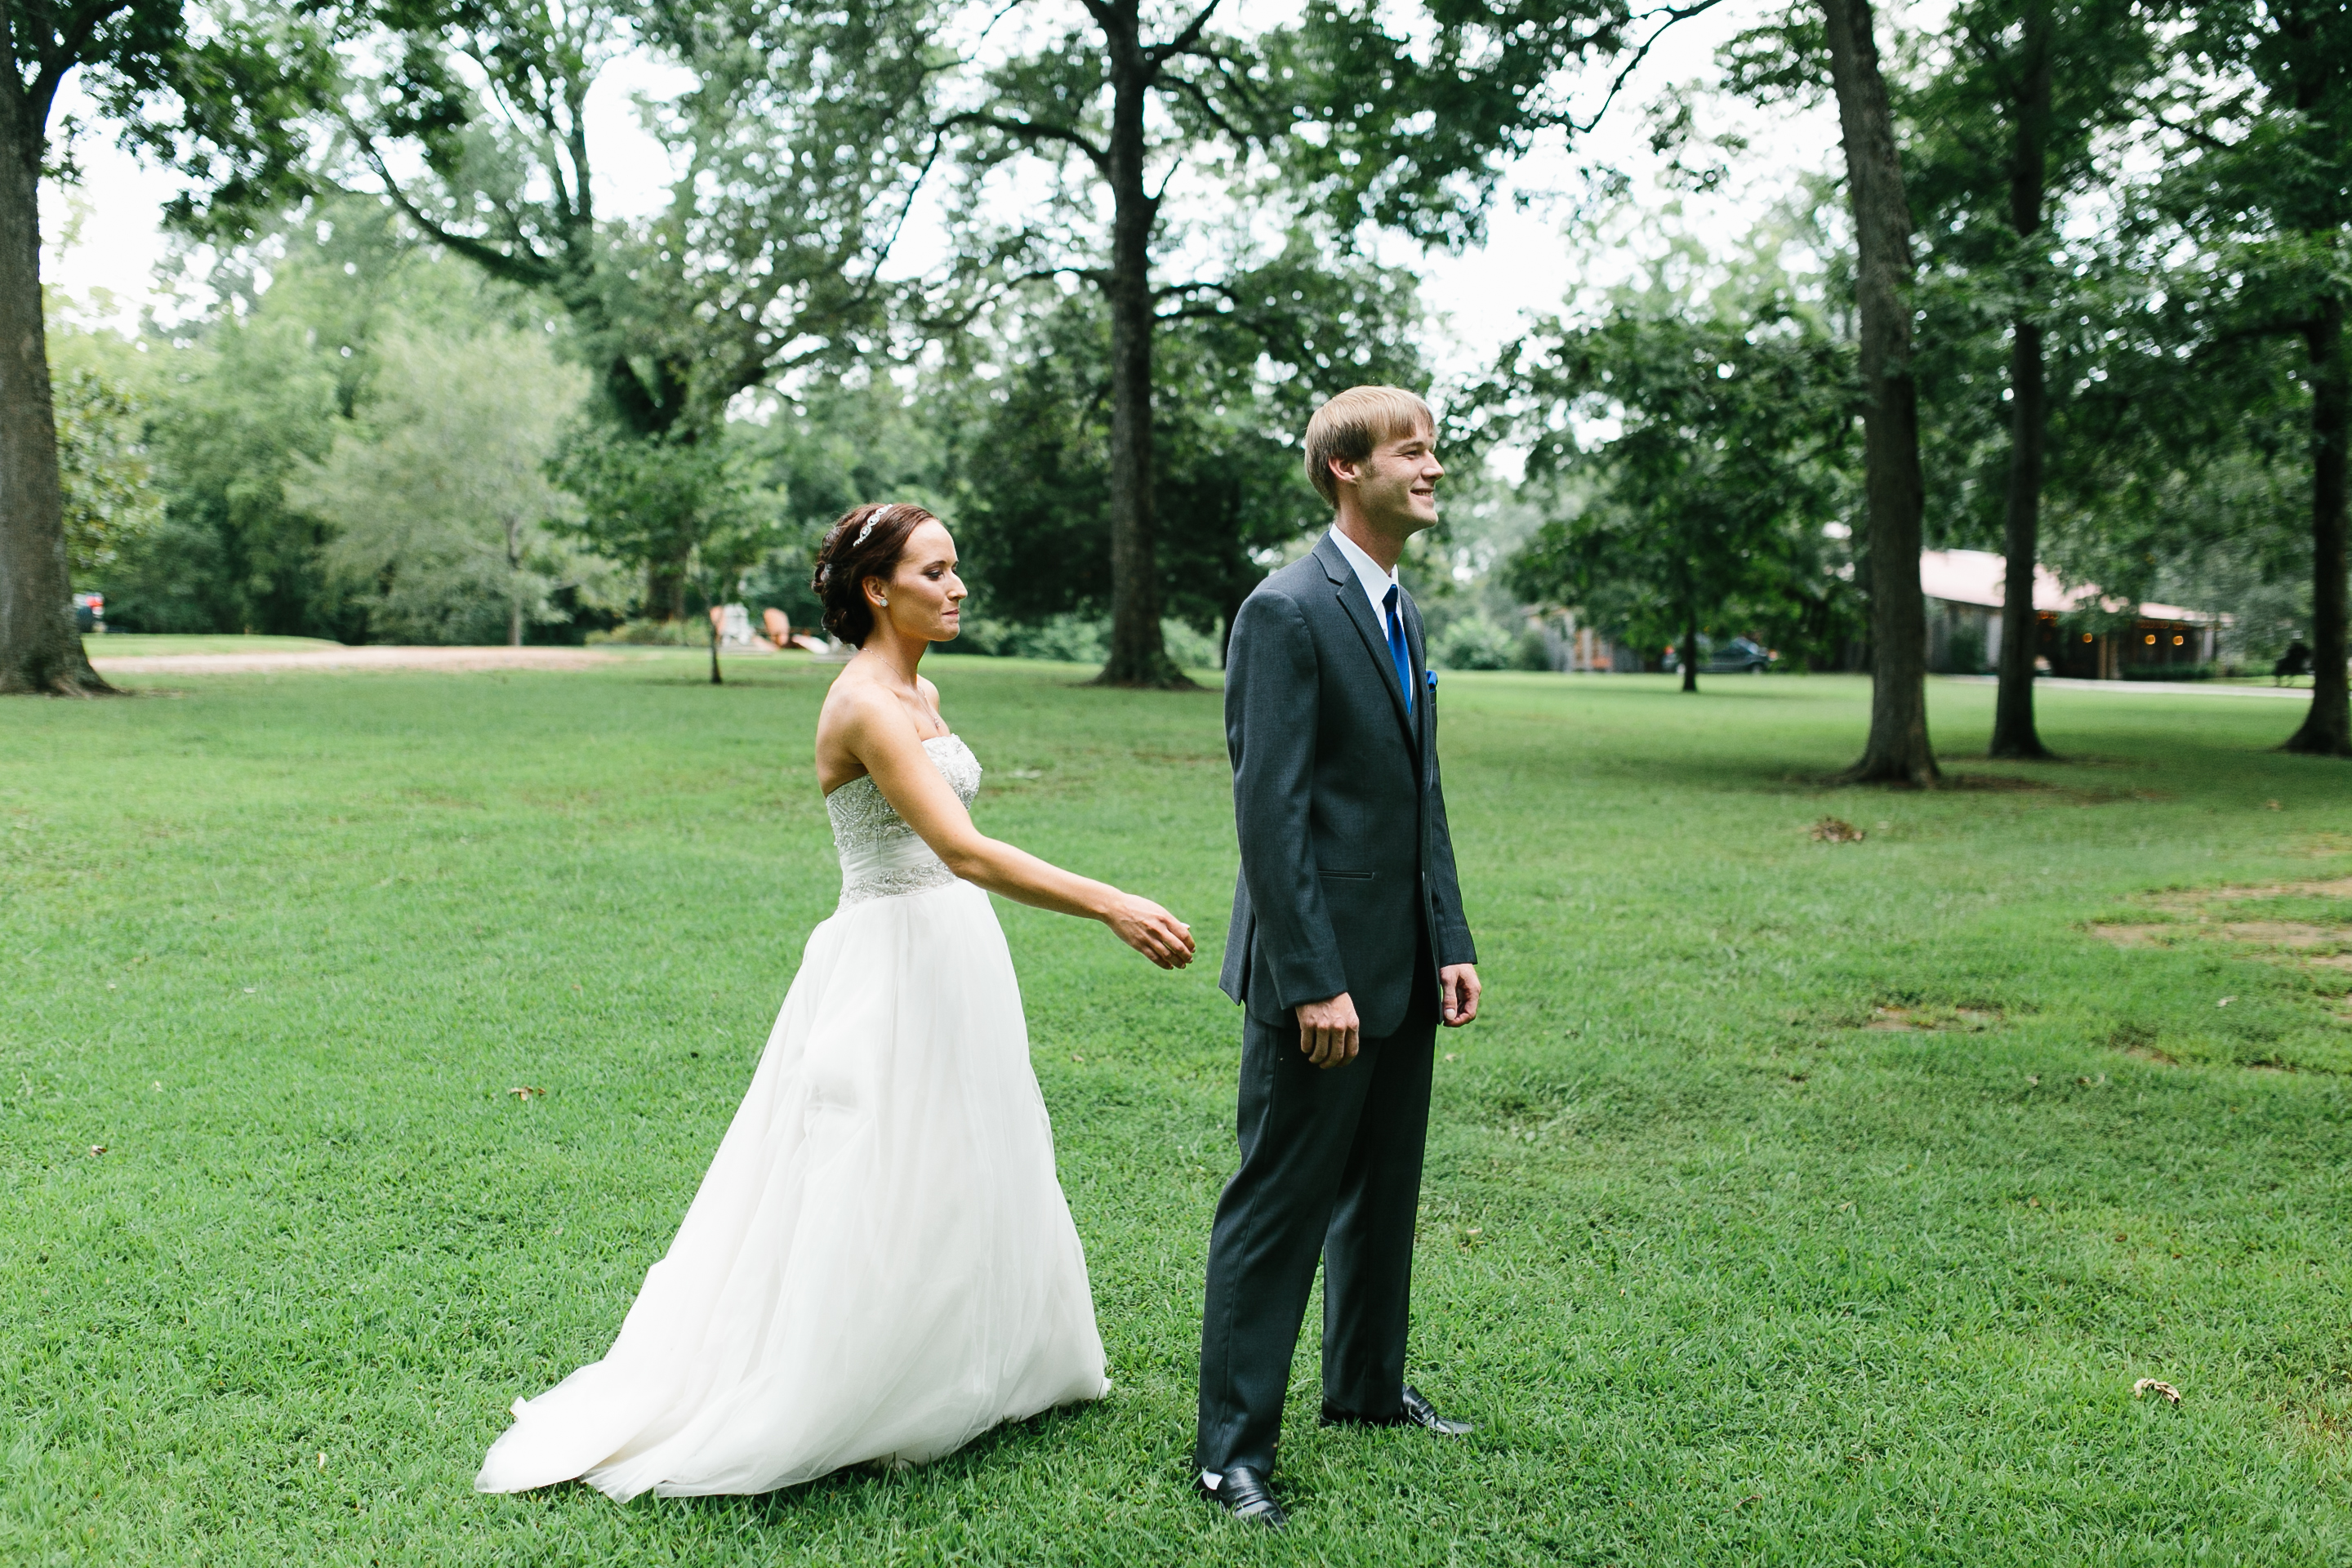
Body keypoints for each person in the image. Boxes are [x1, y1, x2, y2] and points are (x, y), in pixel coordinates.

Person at [476, 501, 1195, 1500]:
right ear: (876, 589)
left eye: (956, 570)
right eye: (936, 572)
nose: (958, 587)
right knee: (872, 1166)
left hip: (955, 946)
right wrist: (1112, 902)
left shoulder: (924, 688)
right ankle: (855, 1384)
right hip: (885, 955)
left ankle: (984, 1366)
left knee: (969, 1151)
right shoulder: (860, 702)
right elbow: (962, 849)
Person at [1194, 387, 1481, 1529]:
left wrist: (1448, 939)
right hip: (1317, 974)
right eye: (1411, 451)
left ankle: (1364, 1391)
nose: (1433, 466)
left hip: (1403, 960)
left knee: (1384, 1192)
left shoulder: (1401, 609)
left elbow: (1419, 796)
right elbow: (1271, 814)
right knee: (1281, 1202)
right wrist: (1315, 978)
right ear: (1341, 472)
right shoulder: (1286, 610)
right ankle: (1230, 1453)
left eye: (1432, 447)